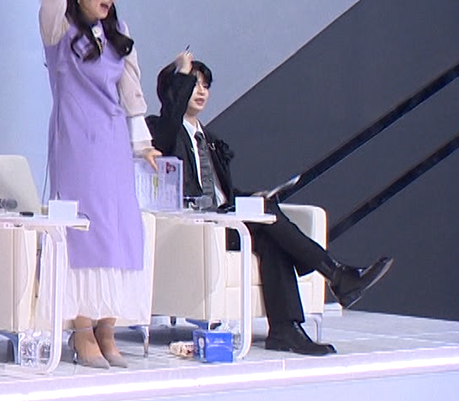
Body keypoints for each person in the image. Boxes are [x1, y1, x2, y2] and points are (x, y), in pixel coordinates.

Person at [149, 54, 394, 354]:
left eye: (205, 86)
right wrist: (181, 72)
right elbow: (170, 129)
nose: (201, 91)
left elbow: (221, 193)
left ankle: (285, 330)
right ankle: (337, 275)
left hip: (226, 219)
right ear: (175, 89)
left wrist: (250, 197)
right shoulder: (161, 130)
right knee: (268, 218)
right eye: (193, 84)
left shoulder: (210, 139)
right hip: (196, 227)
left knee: (271, 235)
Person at [39, 0, 158, 369]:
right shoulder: (58, 29)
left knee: (118, 229)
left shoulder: (118, 34)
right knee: (84, 229)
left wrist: (142, 141)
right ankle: (81, 328)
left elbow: (131, 87)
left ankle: (108, 325)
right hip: (76, 142)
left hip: (111, 144)